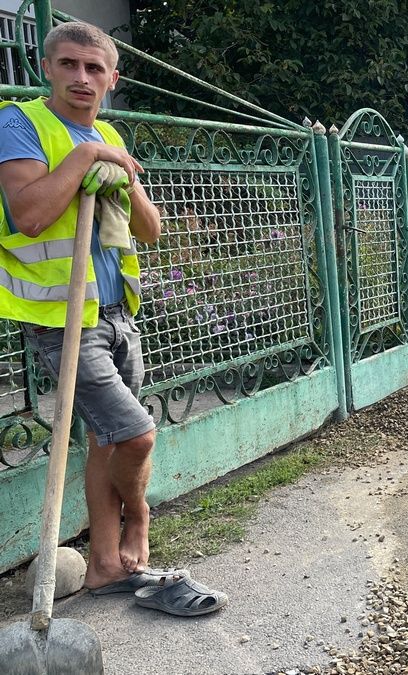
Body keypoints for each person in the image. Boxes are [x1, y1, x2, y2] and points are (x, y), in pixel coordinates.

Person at [0, 22, 225, 615]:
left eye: (94, 68)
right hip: (61, 320)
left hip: (119, 313)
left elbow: (149, 231)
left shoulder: (109, 132)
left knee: (106, 441)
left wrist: (123, 174)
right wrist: (86, 155)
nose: (82, 78)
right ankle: (139, 523)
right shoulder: (21, 124)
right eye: (70, 65)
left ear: (112, 79)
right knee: (136, 432)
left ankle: (102, 568)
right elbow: (28, 215)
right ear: (46, 68)